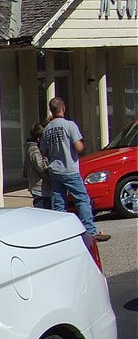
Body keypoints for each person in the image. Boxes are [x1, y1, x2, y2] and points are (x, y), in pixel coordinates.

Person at [41, 97, 109, 242]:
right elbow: (79, 147)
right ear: (63, 107)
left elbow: (43, 152)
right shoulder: (69, 125)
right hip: (70, 169)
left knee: (59, 203)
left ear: (51, 110)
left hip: (54, 170)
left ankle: (62, 234)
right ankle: (90, 231)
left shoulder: (47, 129)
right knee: (82, 200)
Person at [24, 122, 52, 209]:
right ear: (39, 138)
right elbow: (41, 167)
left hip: (45, 189)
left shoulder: (38, 148)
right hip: (39, 189)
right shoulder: (34, 150)